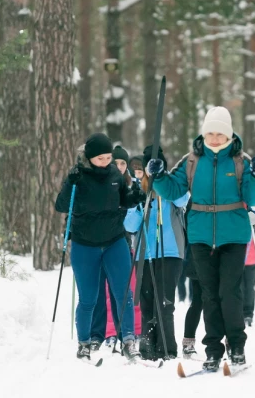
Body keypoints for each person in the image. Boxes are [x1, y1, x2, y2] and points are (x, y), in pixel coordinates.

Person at [146, 106, 255, 371]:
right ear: (204, 133)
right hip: (200, 236)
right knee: (209, 294)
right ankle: (213, 349)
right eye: (210, 132)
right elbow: (171, 188)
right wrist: (157, 176)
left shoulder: (240, 161)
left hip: (233, 236)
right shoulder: (191, 160)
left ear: (229, 135)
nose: (214, 138)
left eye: (220, 133)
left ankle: (237, 347)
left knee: (229, 292)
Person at [55, 133, 146, 362]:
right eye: (101, 159)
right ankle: (84, 343)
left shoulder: (115, 174)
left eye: (109, 158)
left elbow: (123, 200)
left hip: (115, 241)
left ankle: (128, 341)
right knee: (89, 298)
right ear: (89, 157)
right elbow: (62, 205)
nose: (106, 162)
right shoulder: (79, 176)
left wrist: (134, 197)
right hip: (86, 245)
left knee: (124, 294)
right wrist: (70, 183)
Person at [125, 145, 189, 361]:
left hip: (170, 251)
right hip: (145, 253)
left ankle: (167, 349)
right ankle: (147, 348)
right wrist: (137, 205)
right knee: (147, 303)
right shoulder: (139, 189)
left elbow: (183, 200)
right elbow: (130, 225)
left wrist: (162, 183)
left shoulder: (169, 186)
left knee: (164, 303)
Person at [89, 145, 142, 350]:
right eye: (116, 163)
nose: (119, 167)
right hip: (101, 244)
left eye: (123, 163)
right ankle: (106, 332)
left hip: (126, 245)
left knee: (126, 292)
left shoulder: (130, 186)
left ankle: (130, 332)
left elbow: (133, 219)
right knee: (102, 292)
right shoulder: (102, 183)